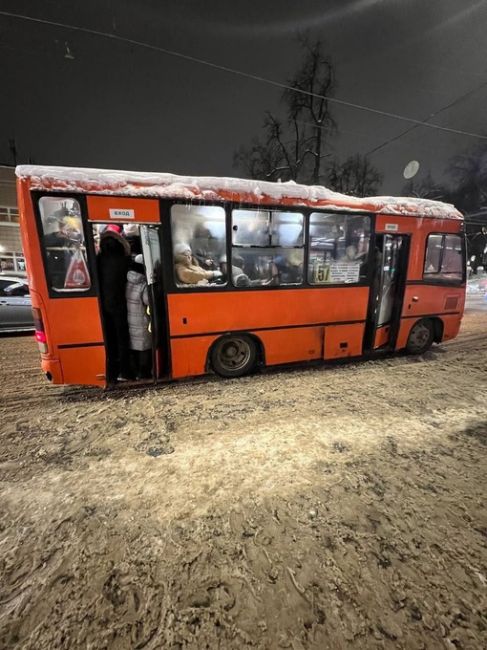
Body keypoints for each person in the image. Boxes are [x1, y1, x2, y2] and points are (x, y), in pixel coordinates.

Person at [97, 227, 133, 382]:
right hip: (121, 305)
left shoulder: (97, 261)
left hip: (104, 306)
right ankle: (126, 372)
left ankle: (111, 373)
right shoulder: (125, 261)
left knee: (110, 340)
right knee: (123, 339)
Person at [126, 254, 152, 379]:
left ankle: (135, 371)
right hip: (141, 320)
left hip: (129, 319)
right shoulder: (142, 284)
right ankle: (144, 373)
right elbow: (148, 301)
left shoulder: (127, 281)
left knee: (134, 346)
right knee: (144, 346)